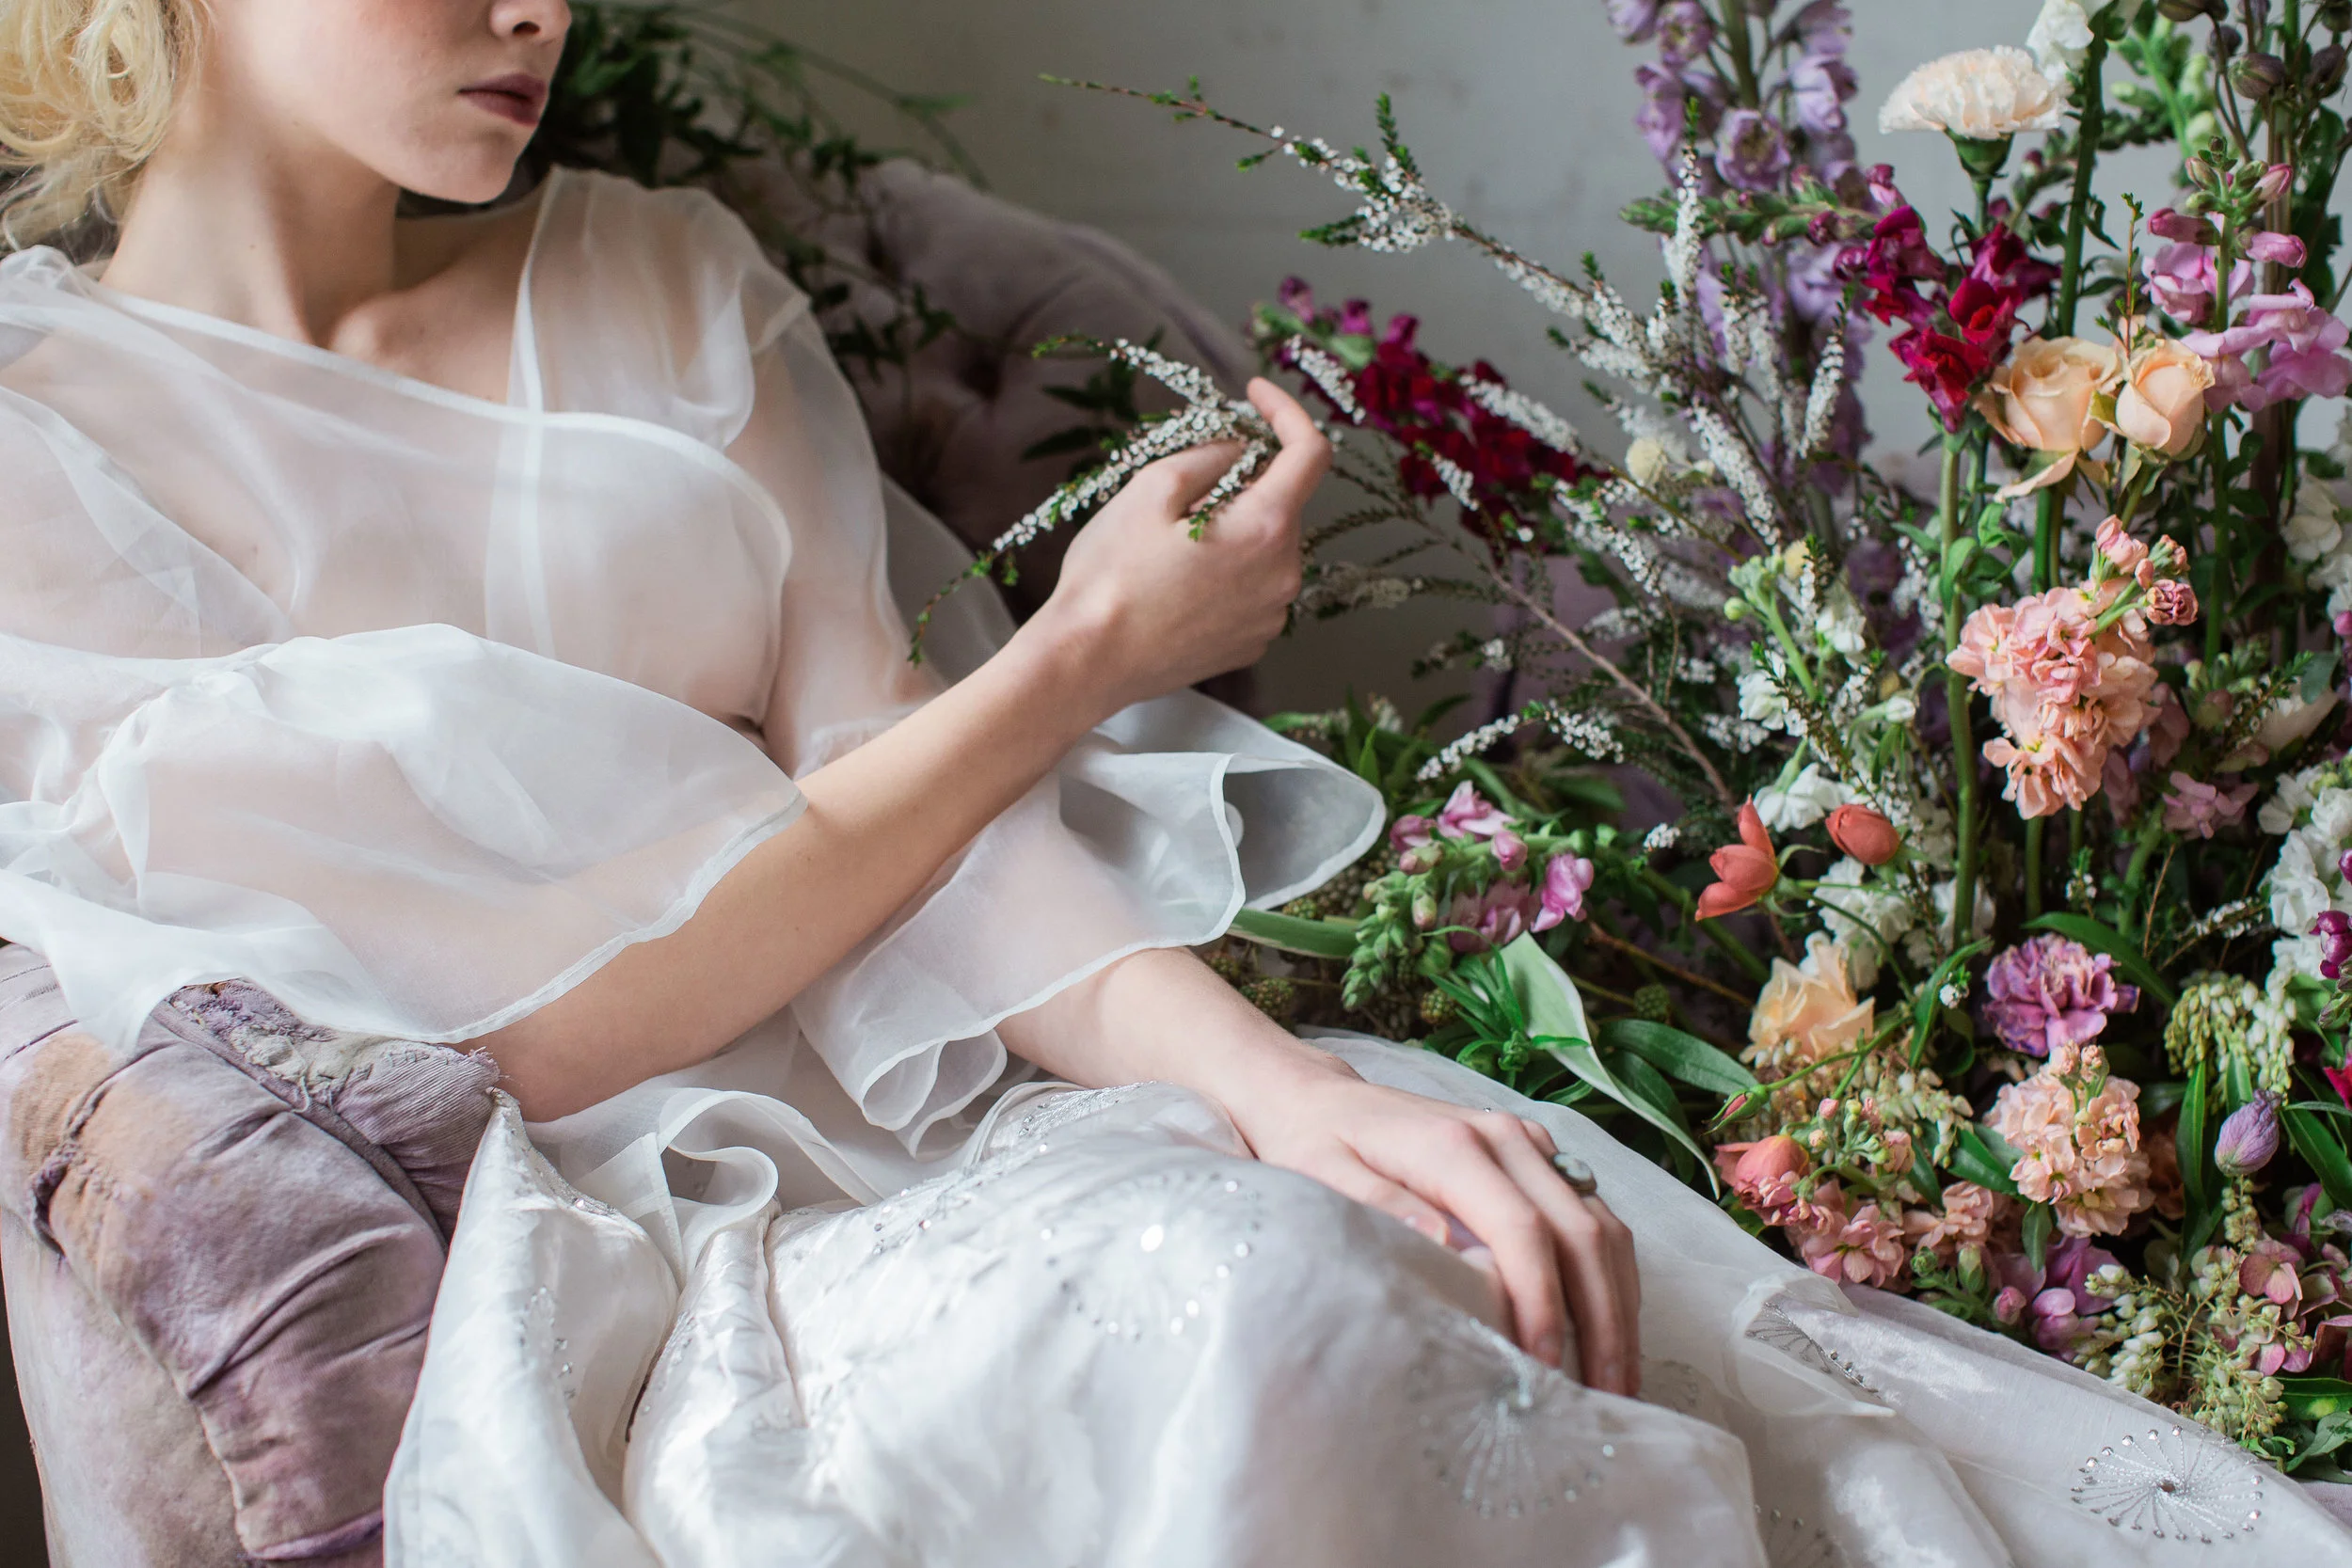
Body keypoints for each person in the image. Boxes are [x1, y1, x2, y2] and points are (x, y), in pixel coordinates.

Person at [0, 4, 2343, 1565]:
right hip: (635, 1225)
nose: (542, 9)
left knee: (1391, 1242)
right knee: (1248, 1305)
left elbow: (905, 797)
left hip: (966, 1110)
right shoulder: (38, 439)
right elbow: (487, 1038)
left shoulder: (659, 270)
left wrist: (1282, 1087)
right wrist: (1081, 658)